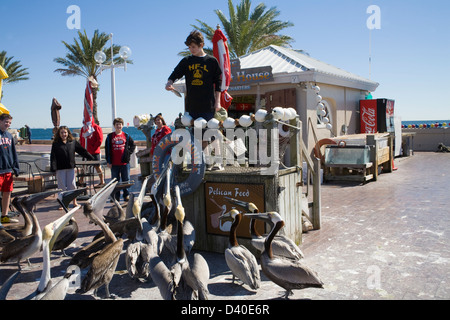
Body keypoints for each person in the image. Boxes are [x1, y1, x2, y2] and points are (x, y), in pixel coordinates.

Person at [165, 30, 222, 122]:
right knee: (195, 134)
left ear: (201, 45)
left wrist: (218, 102)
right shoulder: (186, 61)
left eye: (194, 47)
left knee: (207, 133)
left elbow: (218, 82)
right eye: (189, 47)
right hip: (191, 106)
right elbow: (175, 74)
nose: (191, 49)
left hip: (208, 106)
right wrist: (169, 83)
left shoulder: (211, 61)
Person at [50, 126, 94, 207]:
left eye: (65, 132)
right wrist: (53, 169)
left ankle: (74, 202)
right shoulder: (55, 144)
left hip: (70, 167)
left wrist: (90, 157)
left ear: (68, 133)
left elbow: (81, 150)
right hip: (60, 168)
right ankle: (62, 203)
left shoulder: (72, 142)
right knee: (61, 187)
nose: (64, 134)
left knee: (72, 185)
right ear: (59, 134)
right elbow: (53, 157)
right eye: (62, 133)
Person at [105, 117, 136, 202]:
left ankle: (126, 195)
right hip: (114, 163)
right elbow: (107, 149)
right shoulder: (110, 136)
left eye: (120, 124)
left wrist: (128, 153)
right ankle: (116, 196)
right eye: (117, 124)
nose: (118, 126)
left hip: (124, 163)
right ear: (114, 126)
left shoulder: (126, 135)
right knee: (115, 181)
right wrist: (108, 161)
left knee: (126, 180)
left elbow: (133, 145)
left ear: (122, 125)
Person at [0, 113, 19, 228]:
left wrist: (15, 167)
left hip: (7, 170)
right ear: (0, 121)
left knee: (7, 193)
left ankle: (5, 216)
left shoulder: (9, 136)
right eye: (6, 122)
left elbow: (13, 152)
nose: (8, 124)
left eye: (9, 123)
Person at [80, 122, 105, 187]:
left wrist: (94, 148)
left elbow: (100, 139)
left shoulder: (96, 127)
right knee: (84, 167)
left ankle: (102, 181)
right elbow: (81, 138)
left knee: (97, 167)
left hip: (94, 152)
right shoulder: (83, 128)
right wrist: (83, 148)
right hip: (85, 151)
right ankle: (81, 181)